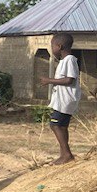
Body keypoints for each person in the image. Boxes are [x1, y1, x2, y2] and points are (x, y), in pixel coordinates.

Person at [39, 32, 80, 164]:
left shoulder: (70, 60)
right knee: (62, 126)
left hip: (65, 100)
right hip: (63, 100)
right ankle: (64, 154)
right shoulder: (64, 61)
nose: (52, 50)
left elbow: (69, 80)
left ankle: (67, 154)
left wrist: (49, 81)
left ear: (59, 46)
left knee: (55, 125)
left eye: (52, 46)